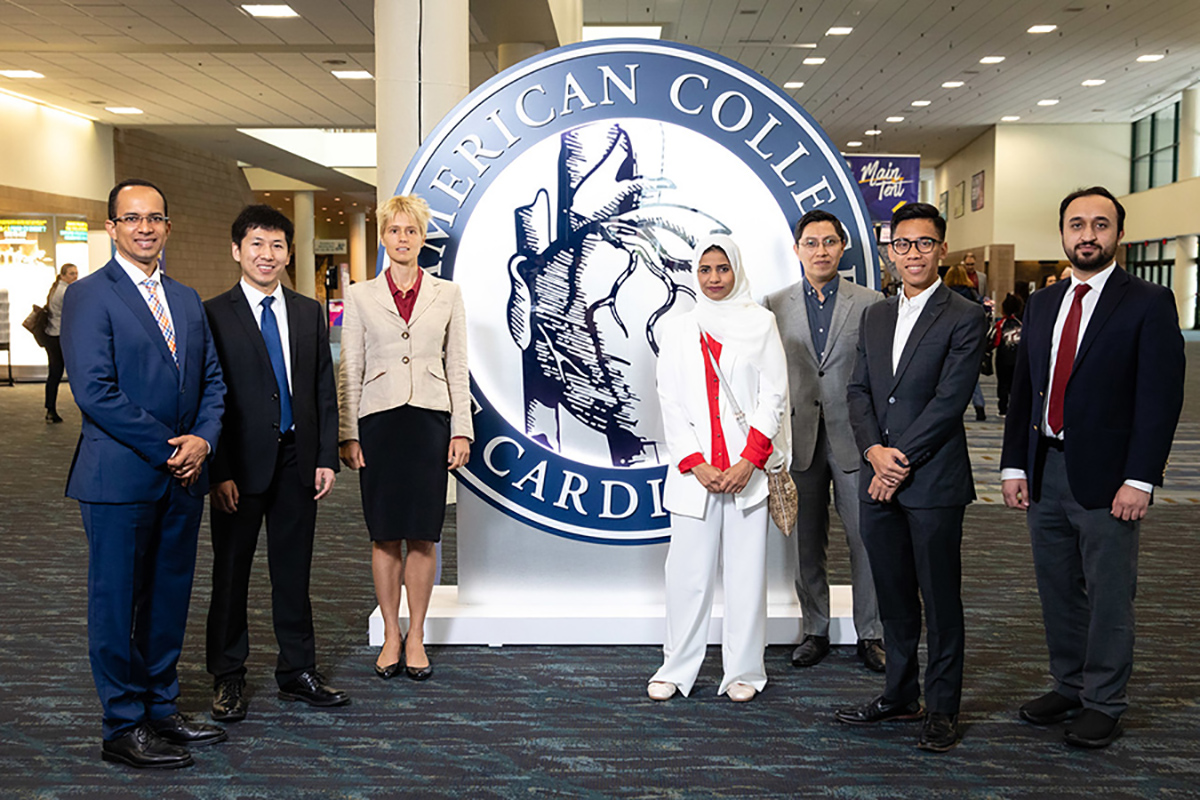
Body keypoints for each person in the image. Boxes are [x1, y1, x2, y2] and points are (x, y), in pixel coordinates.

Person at [1001, 187, 1185, 749]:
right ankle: (1070, 685)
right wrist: (1013, 465)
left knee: (1108, 595)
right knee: (1057, 588)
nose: (1088, 234)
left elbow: (1160, 399)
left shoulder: (1148, 302)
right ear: (1062, 233)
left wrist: (1140, 478)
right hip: (1045, 468)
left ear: (1119, 235)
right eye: (1077, 224)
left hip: (1110, 479)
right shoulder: (1042, 303)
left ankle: (1104, 701)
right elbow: (1024, 391)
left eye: (1100, 224)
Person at [60, 179, 227, 769]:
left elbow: (212, 380)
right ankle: (122, 725)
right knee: (116, 604)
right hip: (120, 479)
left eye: (154, 218)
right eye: (131, 218)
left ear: (168, 227)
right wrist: (170, 448)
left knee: (167, 599)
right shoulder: (88, 296)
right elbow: (94, 392)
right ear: (112, 228)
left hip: (183, 478)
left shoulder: (185, 297)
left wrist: (204, 439)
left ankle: (160, 707)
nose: (144, 228)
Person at [839, 202, 986, 752]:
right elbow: (858, 391)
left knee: (940, 600)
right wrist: (873, 451)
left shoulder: (964, 315)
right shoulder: (875, 315)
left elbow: (950, 402)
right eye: (903, 244)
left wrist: (896, 463)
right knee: (894, 596)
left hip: (932, 482)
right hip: (877, 477)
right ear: (890, 252)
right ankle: (900, 694)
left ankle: (943, 708)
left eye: (925, 243)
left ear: (941, 250)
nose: (913, 254)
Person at [204, 205, 347, 722]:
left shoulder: (308, 312)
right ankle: (227, 674)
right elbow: (208, 397)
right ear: (237, 250)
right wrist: (218, 471)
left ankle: (298, 670)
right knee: (231, 574)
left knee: (294, 571)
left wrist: (325, 456)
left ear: (288, 253)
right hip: (238, 467)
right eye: (256, 245)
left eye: (277, 246)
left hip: (296, 459)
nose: (267, 255)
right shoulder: (213, 314)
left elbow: (322, 389)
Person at [648, 234, 789, 704]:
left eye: (722, 268)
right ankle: (676, 668)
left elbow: (774, 395)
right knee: (686, 577)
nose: (714, 278)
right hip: (696, 476)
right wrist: (695, 463)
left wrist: (750, 459)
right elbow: (668, 399)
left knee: (746, 577)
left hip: (748, 473)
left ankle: (744, 670)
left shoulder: (761, 323)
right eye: (705, 270)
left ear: (737, 270)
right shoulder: (678, 329)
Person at [338, 194, 472, 682]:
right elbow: (350, 366)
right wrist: (348, 433)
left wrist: (462, 429)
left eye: (411, 231)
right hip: (379, 422)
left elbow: (457, 364)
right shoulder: (359, 296)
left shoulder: (448, 294)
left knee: (423, 532)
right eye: (394, 230)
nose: (402, 238)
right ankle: (391, 634)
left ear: (421, 238)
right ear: (383, 237)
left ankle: (416, 635)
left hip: (429, 422)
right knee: (384, 533)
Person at [763, 210, 885, 673]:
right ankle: (815, 629)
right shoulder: (773, 305)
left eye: (829, 242)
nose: (821, 251)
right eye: (811, 243)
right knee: (807, 542)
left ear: (842, 247)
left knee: (866, 539)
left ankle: (870, 633)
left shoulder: (871, 302)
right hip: (799, 440)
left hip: (855, 438)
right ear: (797, 250)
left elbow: (880, 374)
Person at [944, 265, 988, 421]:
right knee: (971, 376)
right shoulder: (972, 294)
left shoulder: (945, 295)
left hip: (948, 339)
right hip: (969, 339)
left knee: (947, 376)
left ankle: (950, 409)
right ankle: (979, 406)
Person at [43, 262, 78, 423]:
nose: (75, 276)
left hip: (52, 335)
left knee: (54, 373)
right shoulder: (65, 292)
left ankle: (50, 408)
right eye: (71, 273)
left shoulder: (56, 289)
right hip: (59, 336)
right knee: (64, 372)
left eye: (76, 273)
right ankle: (51, 409)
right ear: (63, 275)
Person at [991, 293, 1023, 416]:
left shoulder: (1001, 323)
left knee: (1003, 383)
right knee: (1016, 384)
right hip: (1018, 359)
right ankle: (1015, 407)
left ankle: (1003, 407)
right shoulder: (1021, 324)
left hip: (1003, 359)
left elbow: (995, 340)